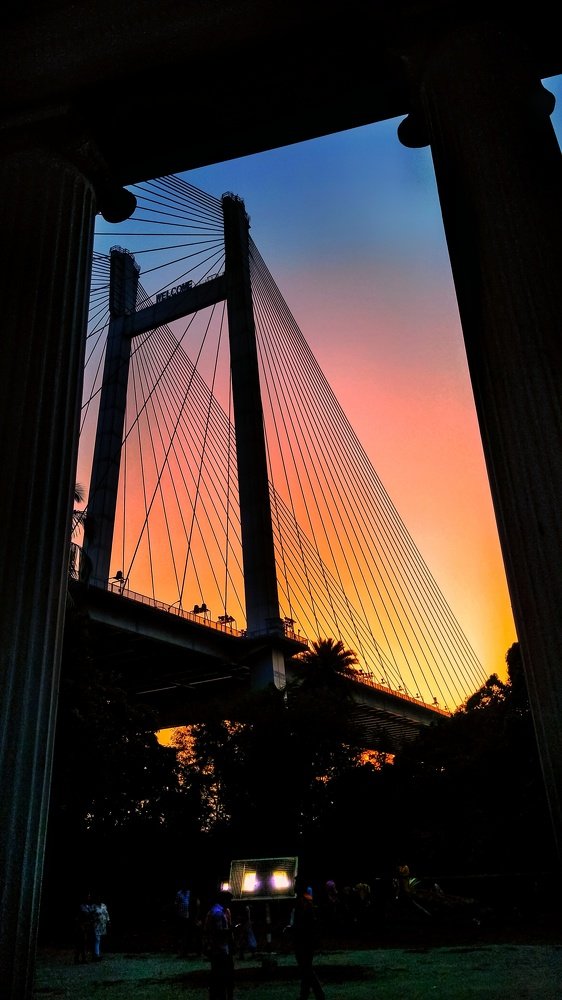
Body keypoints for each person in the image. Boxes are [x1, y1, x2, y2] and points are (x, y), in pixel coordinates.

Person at [286, 882, 325, 1000]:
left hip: (304, 941)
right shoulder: (304, 904)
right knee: (305, 968)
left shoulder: (304, 904)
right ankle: (306, 994)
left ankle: (317, 994)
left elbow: (305, 925)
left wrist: (293, 929)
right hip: (304, 940)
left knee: (306, 968)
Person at [203, 888, 235, 1000]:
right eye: (229, 900)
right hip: (220, 949)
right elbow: (219, 933)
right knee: (222, 977)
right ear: (225, 900)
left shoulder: (215, 911)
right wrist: (231, 930)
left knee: (217, 977)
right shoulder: (219, 913)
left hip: (217, 949)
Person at [174, 885, 192, 956]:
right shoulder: (179, 893)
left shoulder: (189, 893)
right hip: (181, 916)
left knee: (186, 933)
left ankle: (185, 950)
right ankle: (180, 950)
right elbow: (176, 904)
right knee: (181, 933)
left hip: (188, 916)